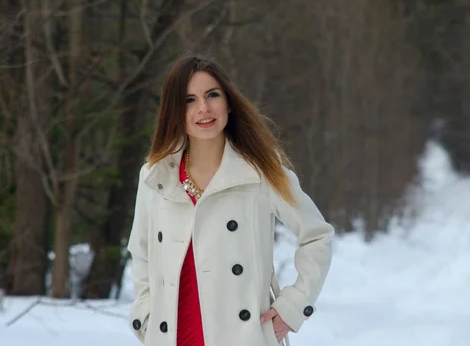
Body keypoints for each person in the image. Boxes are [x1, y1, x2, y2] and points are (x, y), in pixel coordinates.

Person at [126, 54, 334, 346]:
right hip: (173, 337)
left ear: (228, 102)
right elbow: (142, 253)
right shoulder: (155, 175)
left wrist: (294, 306)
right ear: (174, 111)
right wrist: (145, 314)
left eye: (212, 95)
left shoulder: (260, 170)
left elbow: (317, 236)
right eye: (189, 100)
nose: (203, 108)